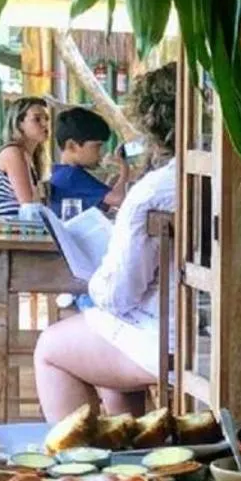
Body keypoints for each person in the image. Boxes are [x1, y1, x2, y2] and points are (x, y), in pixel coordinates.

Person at [34, 69, 178, 420]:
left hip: (169, 339)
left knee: (50, 347)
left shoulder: (154, 190)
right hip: (224, 333)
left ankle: (74, 465)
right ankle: (128, 451)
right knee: (101, 345)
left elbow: (119, 295)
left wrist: (95, 278)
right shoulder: (231, 176)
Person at [47, 106, 130, 216]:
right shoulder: (72, 176)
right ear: (72, 146)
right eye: (97, 146)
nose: (101, 153)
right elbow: (119, 199)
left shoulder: (61, 173)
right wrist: (125, 169)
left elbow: (106, 201)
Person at [0, 95, 51, 218]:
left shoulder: (29, 155)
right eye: (37, 119)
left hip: (17, 226)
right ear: (19, 124)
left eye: (47, 118)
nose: (45, 124)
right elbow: (29, 206)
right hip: (6, 229)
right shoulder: (13, 153)